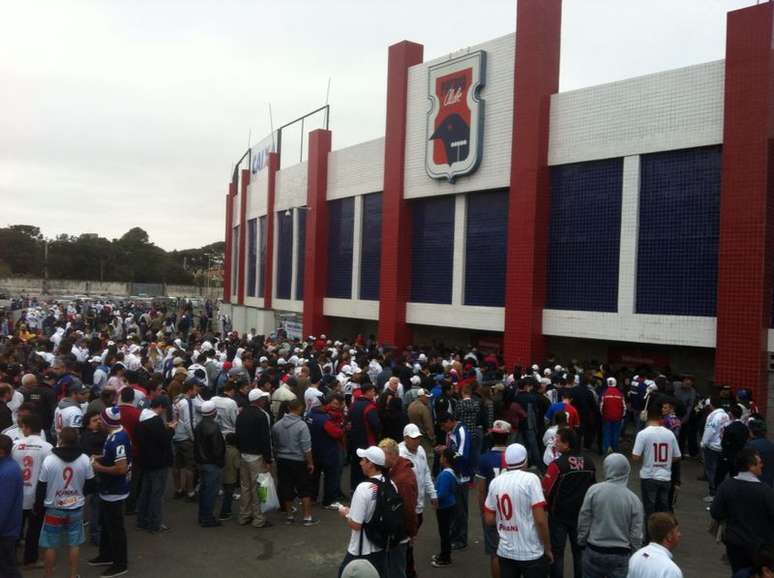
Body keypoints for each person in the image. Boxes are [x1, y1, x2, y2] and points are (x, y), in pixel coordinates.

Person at [484, 443, 552, 578]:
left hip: (505, 551)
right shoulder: (531, 480)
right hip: (531, 552)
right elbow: (540, 520)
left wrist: (507, 521)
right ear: (525, 460)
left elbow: (489, 519)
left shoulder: (495, 482)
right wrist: (547, 547)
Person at [36, 426, 95, 578]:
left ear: (60, 439)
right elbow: (91, 485)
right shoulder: (84, 459)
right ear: (77, 440)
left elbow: (42, 486)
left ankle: (48, 575)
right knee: (73, 544)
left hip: (54, 508)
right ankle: (73, 575)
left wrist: (38, 506)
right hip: (76, 507)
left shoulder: (50, 460)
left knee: (50, 545)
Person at [577, 452, 644, 578]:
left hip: (594, 549)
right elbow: (636, 533)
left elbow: (584, 519)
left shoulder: (594, 490)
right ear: (627, 470)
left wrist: (582, 540)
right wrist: (635, 551)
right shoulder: (633, 499)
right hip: (620, 553)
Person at [541, 427, 596, 578]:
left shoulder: (557, 465)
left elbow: (545, 490)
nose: (555, 443)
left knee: (557, 554)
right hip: (581, 515)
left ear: (567, 444)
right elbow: (592, 489)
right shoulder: (589, 463)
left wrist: (544, 508)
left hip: (558, 516)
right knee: (579, 553)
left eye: (558, 440)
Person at [711, 448, 774, 574]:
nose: (762, 465)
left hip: (735, 542)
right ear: (751, 466)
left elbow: (715, 512)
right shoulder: (765, 491)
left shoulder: (727, 485)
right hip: (760, 545)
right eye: (759, 462)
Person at [338, 446, 394, 577]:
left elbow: (356, 524)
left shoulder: (363, 488)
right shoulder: (390, 484)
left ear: (371, 464)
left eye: (363, 460)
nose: (360, 462)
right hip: (381, 546)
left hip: (361, 549)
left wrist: (346, 513)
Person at [89, 406, 131, 578]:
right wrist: (99, 457)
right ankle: (106, 555)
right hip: (109, 488)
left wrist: (98, 467)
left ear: (107, 422)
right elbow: (112, 457)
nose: (98, 421)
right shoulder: (114, 435)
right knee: (106, 524)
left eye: (101, 418)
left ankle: (120, 563)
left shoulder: (118, 439)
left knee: (115, 528)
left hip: (115, 490)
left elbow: (120, 468)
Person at [12, 412, 52, 569]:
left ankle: (10, 558)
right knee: (34, 529)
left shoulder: (15, 445)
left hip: (18, 494)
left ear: (26, 428)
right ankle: (30, 559)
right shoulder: (47, 447)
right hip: (37, 495)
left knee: (16, 528)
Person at [632, 403, 681, 526]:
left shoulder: (643, 434)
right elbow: (677, 456)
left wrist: (648, 456)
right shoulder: (669, 434)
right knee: (663, 509)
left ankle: (650, 538)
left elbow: (635, 457)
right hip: (665, 476)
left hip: (649, 476)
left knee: (650, 511)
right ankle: (663, 535)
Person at [399, 423, 437, 578]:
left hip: (419, 505)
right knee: (406, 540)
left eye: (419, 438)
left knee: (411, 538)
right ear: (405, 438)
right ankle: (407, 570)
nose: (417, 441)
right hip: (406, 506)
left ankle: (407, 566)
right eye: (413, 438)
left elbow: (426, 473)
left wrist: (432, 493)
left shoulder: (421, 450)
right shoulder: (399, 455)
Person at [272, 398, 318, 526]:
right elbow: (307, 447)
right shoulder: (302, 425)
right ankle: (307, 517)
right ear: (299, 408)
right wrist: (310, 462)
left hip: (282, 460)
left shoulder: (277, 425)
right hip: (298, 461)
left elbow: (275, 443)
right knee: (304, 489)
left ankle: (290, 516)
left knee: (286, 488)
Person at [378, 437, 418, 578]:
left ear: (392, 455)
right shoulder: (395, 471)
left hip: (400, 535)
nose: (380, 459)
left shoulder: (403, 479)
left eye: (382, 455)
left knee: (397, 570)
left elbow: (409, 508)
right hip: (398, 533)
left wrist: (411, 533)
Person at [135, 397, 174, 533]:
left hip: (145, 460)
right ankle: (155, 522)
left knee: (146, 491)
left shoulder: (141, 418)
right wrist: (170, 430)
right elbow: (163, 440)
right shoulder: (155, 421)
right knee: (156, 493)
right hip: (158, 461)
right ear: (161, 407)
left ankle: (142, 519)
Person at [477, 420, 511, 578]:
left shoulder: (484, 459)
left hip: (493, 509)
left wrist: (482, 511)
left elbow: (481, 489)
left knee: (495, 552)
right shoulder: (515, 457)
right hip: (512, 508)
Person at [235, 388, 273, 528]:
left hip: (244, 455)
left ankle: (244, 515)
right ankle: (259, 518)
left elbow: (237, 435)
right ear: (259, 401)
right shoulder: (261, 415)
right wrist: (268, 459)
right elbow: (265, 440)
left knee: (245, 487)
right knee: (259, 488)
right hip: (257, 457)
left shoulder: (242, 413)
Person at [437, 411, 471, 551]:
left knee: (460, 510)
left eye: (444, 424)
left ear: (451, 421)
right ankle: (454, 534)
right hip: (452, 474)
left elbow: (463, 454)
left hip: (461, 476)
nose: (442, 428)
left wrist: (446, 450)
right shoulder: (451, 432)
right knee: (453, 508)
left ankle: (461, 539)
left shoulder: (461, 431)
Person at [306, 393, 346, 510]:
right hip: (328, 452)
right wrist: (342, 428)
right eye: (324, 404)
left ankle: (312, 498)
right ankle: (328, 501)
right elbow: (337, 433)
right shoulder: (324, 419)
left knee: (314, 477)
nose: (326, 406)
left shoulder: (309, 415)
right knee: (331, 478)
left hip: (314, 451)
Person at [194, 400, 226, 527]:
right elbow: (218, 449)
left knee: (204, 490)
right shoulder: (214, 427)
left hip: (201, 462)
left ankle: (203, 516)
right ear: (214, 412)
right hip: (211, 463)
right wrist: (220, 462)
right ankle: (207, 518)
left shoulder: (199, 425)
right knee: (210, 492)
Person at [627, 512, 683, 578]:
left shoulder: (636, 556)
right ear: (669, 536)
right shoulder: (671, 570)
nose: (680, 534)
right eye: (677, 531)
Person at [350, 384, 381, 492]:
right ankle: (367, 489)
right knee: (369, 466)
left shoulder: (354, 405)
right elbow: (376, 425)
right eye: (372, 391)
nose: (374, 394)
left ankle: (354, 488)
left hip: (355, 440)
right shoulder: (370, 407)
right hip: (368, 441)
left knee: (356, 465)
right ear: (367, 392)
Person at [0, 433, 23, 578]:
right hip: (8, 529)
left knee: (7, 569)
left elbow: (3, 506)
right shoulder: (8, 467)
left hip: (5, 532)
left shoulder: (7, 472)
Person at [432, 448, 457, 568]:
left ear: (445, 459)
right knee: (445, 532)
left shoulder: (445, 474)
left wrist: (434, 498)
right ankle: (443, 553)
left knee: (444, 533)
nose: (440, 459)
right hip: (448, 506)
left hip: (444, 507)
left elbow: (442, 493)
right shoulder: (450, 473)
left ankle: (445, 557)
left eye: (441, 457)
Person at [701, 396, 729, 501]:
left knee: (711, 470)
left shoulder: (713, 416)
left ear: (711, 405)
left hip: (712, 446)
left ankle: (713, 493)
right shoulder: (726, 415)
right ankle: (720, 492)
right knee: (719, 471)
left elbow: (710, 430)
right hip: (722, 446)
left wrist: (703, 442)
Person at [600, 378, 626, 454]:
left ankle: (607, 448)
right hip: (618, 417)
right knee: (616, 433)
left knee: (607, 433)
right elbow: (624, 407)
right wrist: (622, 416)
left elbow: (601, 406)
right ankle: (615, 449)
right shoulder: (620, 393)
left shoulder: (604, 393)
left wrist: (603, 415)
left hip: (606, 417)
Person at [747, 418, 774, 487]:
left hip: (753, 483)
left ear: (751, 431)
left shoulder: (750, 446)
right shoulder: (771, 445)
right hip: (769, 483)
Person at [219, 433, 241, 520]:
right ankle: (225, 512)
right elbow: (237, 465)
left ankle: (226, 511)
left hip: (222, 476)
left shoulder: (222, 450)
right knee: (228, 496)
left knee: (226, 494)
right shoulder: (235, 451)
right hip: (231, 477)